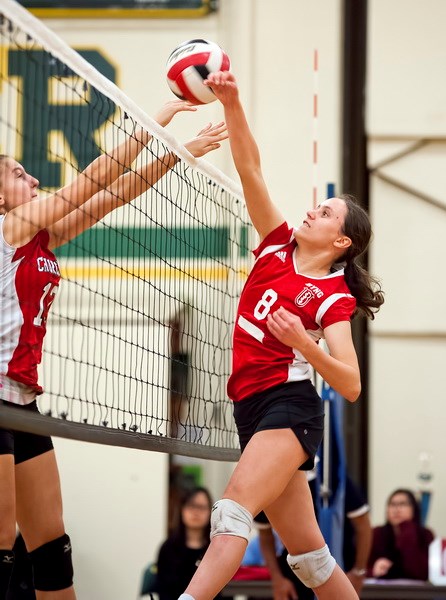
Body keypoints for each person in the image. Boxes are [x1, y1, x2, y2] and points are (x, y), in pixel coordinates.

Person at [0, 100, 227, 600]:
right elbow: (90, 180)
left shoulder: (37, 237)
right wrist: (155, 120)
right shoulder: (7, 229)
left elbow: (113, 195)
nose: (34, 180)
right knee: (1, 546)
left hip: (22, 404)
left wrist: (179, 154)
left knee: (51, 547)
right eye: (20, 174)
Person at [177, 70, 384, 600]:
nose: (312, 210)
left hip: (288, 407)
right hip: (249, 404)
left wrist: (304, 343)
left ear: (340, 239)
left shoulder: (333, 299)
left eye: (325, 212)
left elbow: (352, 385)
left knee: (231, 510)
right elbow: (249, 167)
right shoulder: (275, 247)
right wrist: (232, 101)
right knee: (311, 561)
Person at [254, 474, 372, 599]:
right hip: (296, 568)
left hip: (334, 562)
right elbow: (264, 533)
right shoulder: (271, 480)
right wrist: (277, 579)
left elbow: (363, 523)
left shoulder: (330, 475)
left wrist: (359, 571)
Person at [156, 487, 216, 600]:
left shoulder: (215, 548)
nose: (196, 512)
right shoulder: (168, 548)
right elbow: (163, 591)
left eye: (201, 507)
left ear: (210, 512)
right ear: (182, 510)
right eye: (191, 506)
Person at [367, 488, 434, 581]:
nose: (397, 509)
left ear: (414, 508)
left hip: (417, 592)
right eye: (392, 504)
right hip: (381, 591)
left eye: (403, 504)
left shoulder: (425, 534)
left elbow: (422, 572)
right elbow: (359, 570)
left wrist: (406, 528)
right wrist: (373, 571)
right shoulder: (376, 533)